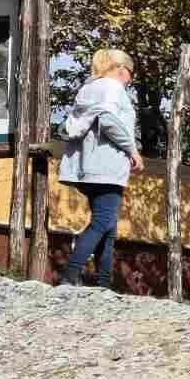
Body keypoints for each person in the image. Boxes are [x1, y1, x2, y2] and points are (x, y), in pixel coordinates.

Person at [59, 48, 143, 287]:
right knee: (103, 222)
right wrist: (132, 150)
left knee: (108, 227)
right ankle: (70, 275)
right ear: (120, 69)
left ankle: (104, 283)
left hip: (85, 165)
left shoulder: (88, 88)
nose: (130, 79)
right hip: (107, 166)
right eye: (131, 73)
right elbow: (108, 121)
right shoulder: (113, 88)